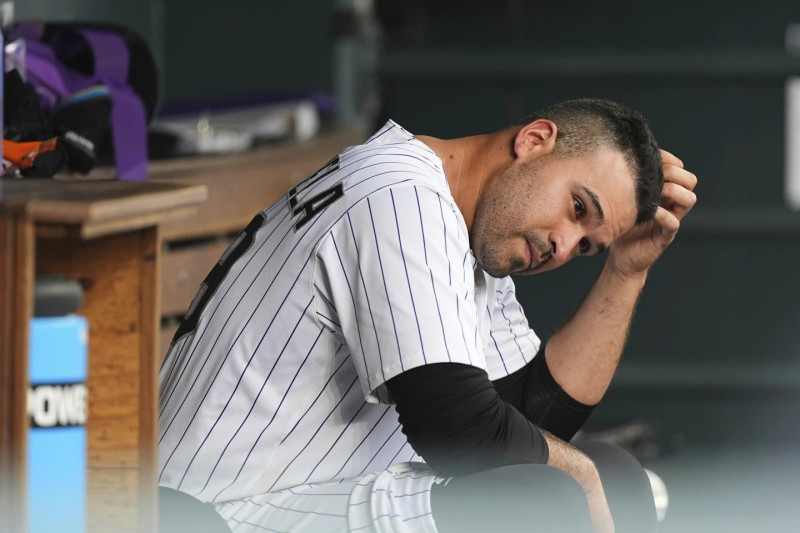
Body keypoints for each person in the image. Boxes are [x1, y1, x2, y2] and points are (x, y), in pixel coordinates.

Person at [158, 98, 697, 533]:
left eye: (586, 247)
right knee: (549, 498)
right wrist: (582, 476)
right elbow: (457, 429)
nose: (563, 245)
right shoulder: (403, 198)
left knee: (614, 477)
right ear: (534, 141)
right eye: (577, 208)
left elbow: (534, 419)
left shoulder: (472, 236)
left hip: (305, 497)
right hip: (214, 512)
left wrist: (625, 271)